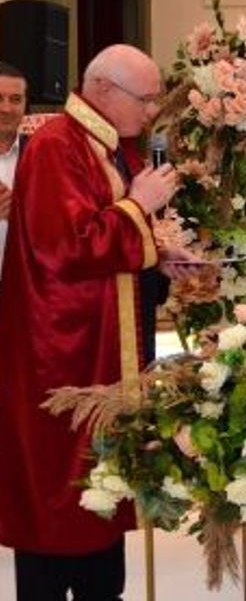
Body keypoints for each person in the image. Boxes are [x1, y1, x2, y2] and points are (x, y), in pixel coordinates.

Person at [0, 44, 194, 600]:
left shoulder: (103, 145)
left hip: (98, 351)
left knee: (101, 494)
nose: (152, 112)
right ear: (103, 89)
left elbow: (100, 235)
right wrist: (139, 204)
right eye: (146, 99)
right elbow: (69, 247)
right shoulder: (56, 146)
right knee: (61, 495)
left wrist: (158, 253)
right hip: (62, 355)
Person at [0, 61, 26, 286]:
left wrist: (20, 212)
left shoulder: (44, 154)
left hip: (25, 289)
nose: (6, 108)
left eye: (15, 99)